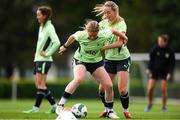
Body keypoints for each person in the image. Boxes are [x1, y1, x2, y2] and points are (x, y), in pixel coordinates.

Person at [56, 20, 128, 119]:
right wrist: (65, 46)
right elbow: (72, 37)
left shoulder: (104, 34)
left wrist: (124, 37)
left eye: (95, 34)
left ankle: (109, 111)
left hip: (96, 62)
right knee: (79, 79)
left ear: (98, 31)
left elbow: (113, 30)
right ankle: (60, 105)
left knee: (109, 85)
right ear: (87, 30)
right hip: (81, 60)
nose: (93, 36)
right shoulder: (81, 35)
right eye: (91, 34)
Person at [94, 1, 132, 118]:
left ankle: (126, 110)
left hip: (122, 59)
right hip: (109, 59)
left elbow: (120, 42)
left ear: (115, 11)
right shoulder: (103, 23)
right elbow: (95, 36)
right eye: (105, 12)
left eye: (108, 12)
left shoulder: (121, 24)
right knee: (102, 88)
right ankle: (108, 109)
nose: (106, 15)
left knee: (122, 89)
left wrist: (104, 47)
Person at [23, 6, 61, 114]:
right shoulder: (41, 26)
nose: (37, 17)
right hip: (38, 59)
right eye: (37, 14)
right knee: (39, 85)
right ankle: (55, 106)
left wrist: (47, 53)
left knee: (41, 85)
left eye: (39, 15)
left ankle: (35, 108)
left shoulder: (50, 27)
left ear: (45, 16)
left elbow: (57, 42)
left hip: (45, 60)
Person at [144, 34, 175, 112]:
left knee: (163, 89)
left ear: (165, 42)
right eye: (158, 41)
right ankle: (150, 104)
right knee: (150, 89)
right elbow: (151, 60)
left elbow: (172, 63)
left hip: (164, 72)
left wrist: (170, 73)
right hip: (154, 71)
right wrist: (148, 69)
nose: (159, 42)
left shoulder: (170, 51)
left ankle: (164, 107)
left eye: (161, 41)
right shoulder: (155, 49)